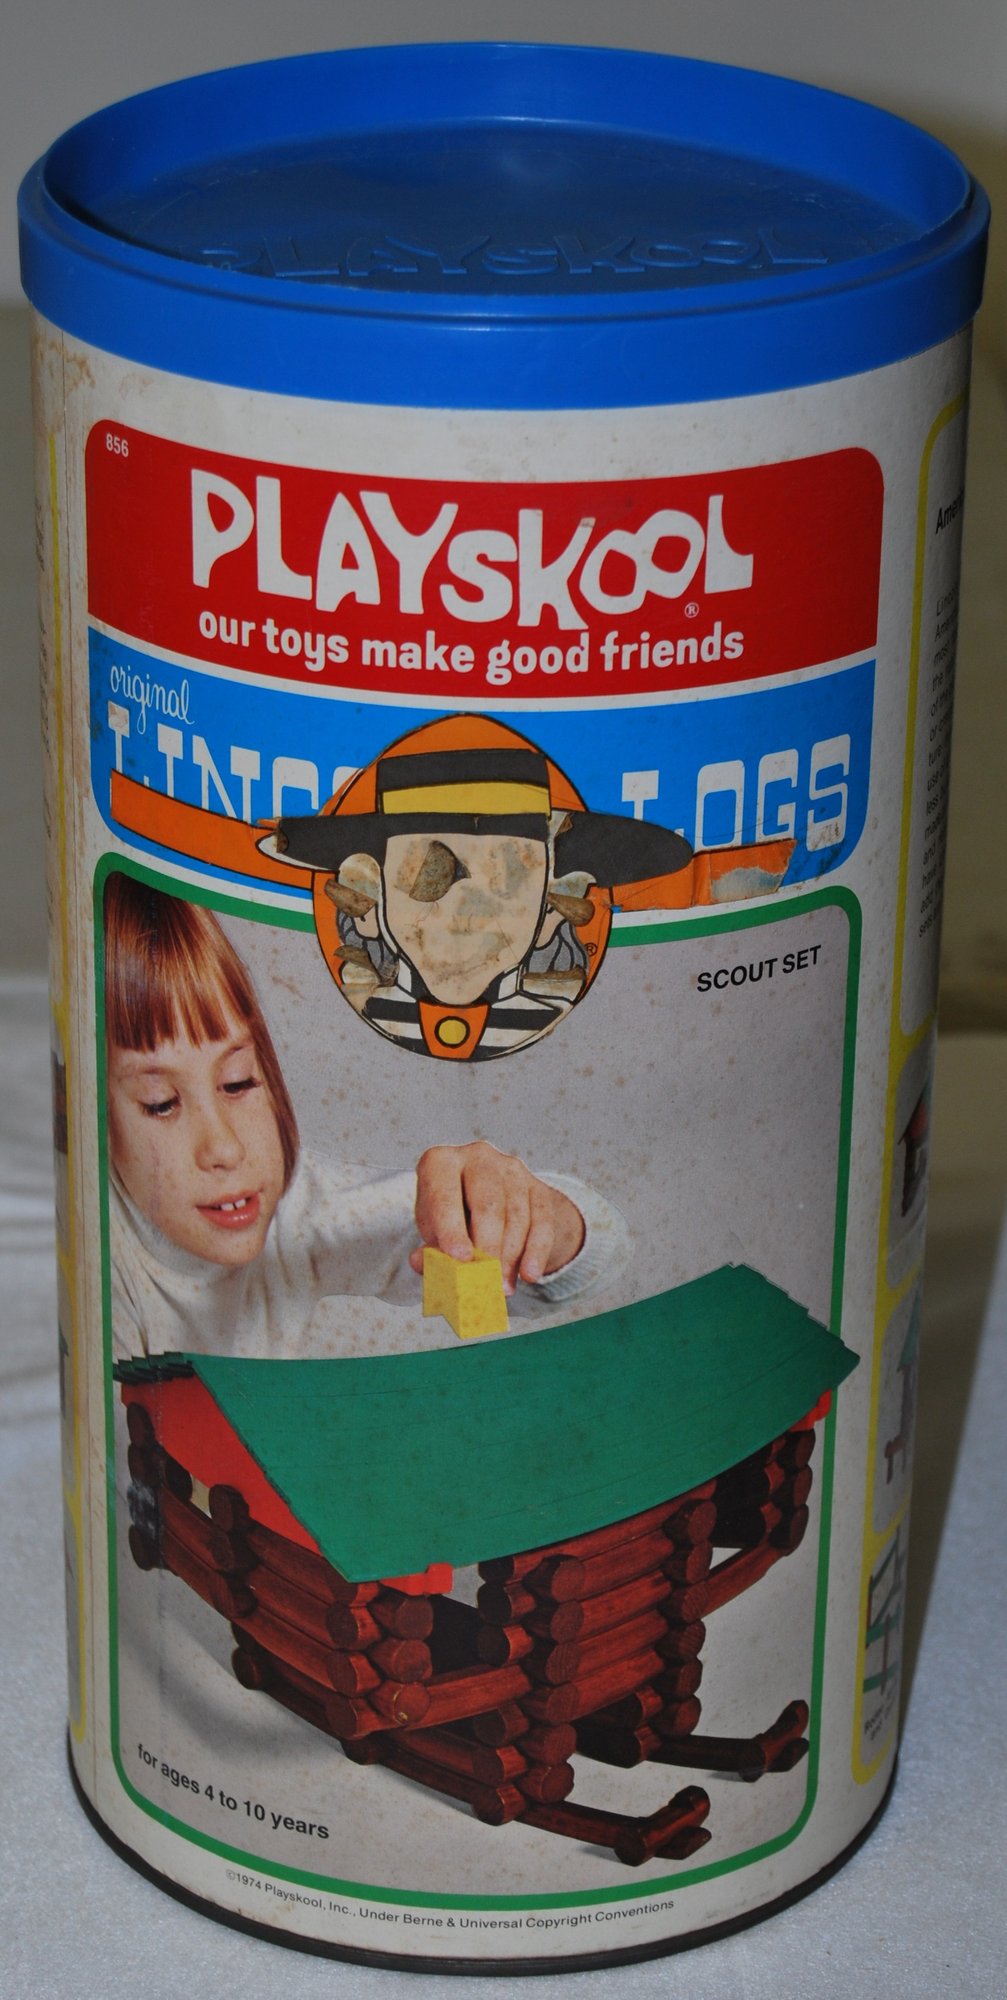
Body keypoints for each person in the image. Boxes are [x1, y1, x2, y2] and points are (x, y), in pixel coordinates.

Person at [104, 874, 627, 1360]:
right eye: (160, 1103)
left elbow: (598, 1255)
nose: (224, 1148)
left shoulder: (297, 1214)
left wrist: (526, 1213)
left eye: (238, 1082)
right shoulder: (103, 1259)